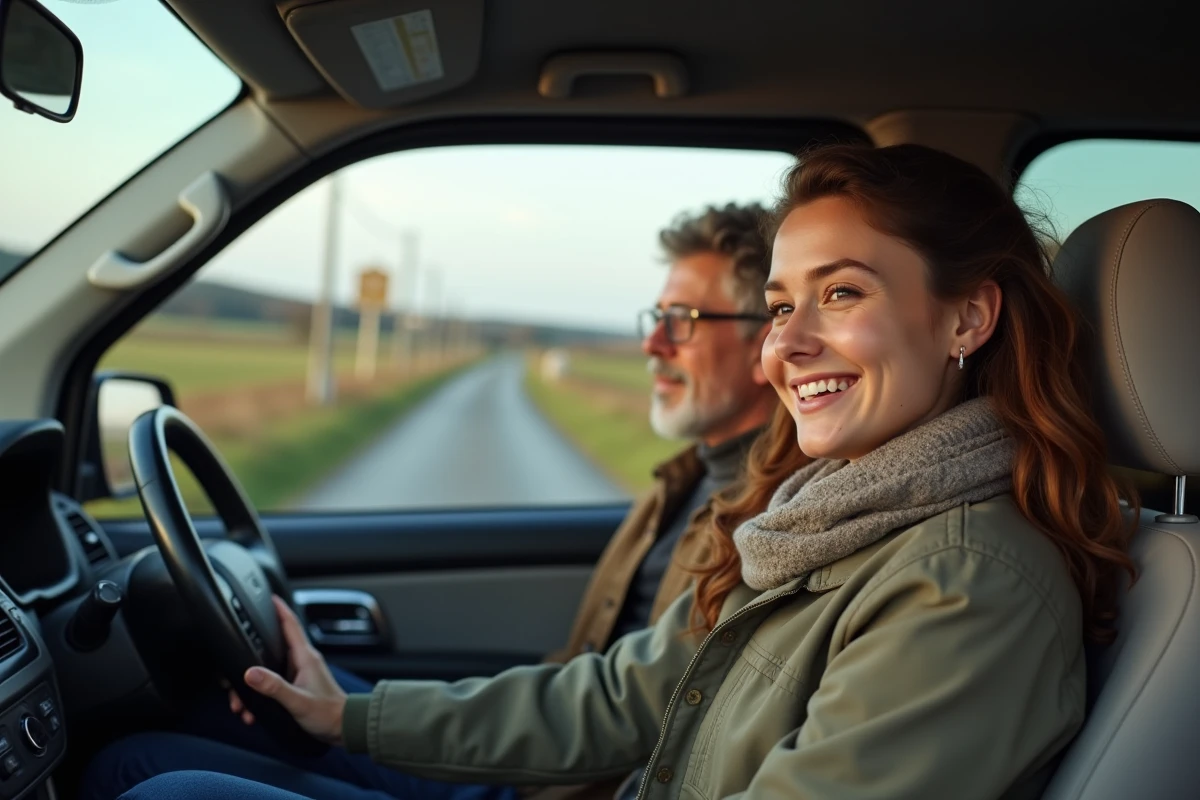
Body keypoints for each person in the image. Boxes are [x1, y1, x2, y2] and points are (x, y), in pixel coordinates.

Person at [108, 142, 1140, 800]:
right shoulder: (820, 516)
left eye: (843, 292)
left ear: (967, 316)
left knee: (151, 784)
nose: (790, 344)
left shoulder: (968, 582)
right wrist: (353, 715)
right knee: (147, 764)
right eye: (784, 304)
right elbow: (631, 692)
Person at [80, 204, 781, 800]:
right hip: (541, 763)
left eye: (683, 320)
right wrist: (346, 709)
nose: (652, 343)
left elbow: (619, 708)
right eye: (654, 316)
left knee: (139, 771)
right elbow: (590, 685)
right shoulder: (686, 476)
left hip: (558, 782)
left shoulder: (767, 522)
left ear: (764, 346)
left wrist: (351, 717)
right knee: (214, 714)